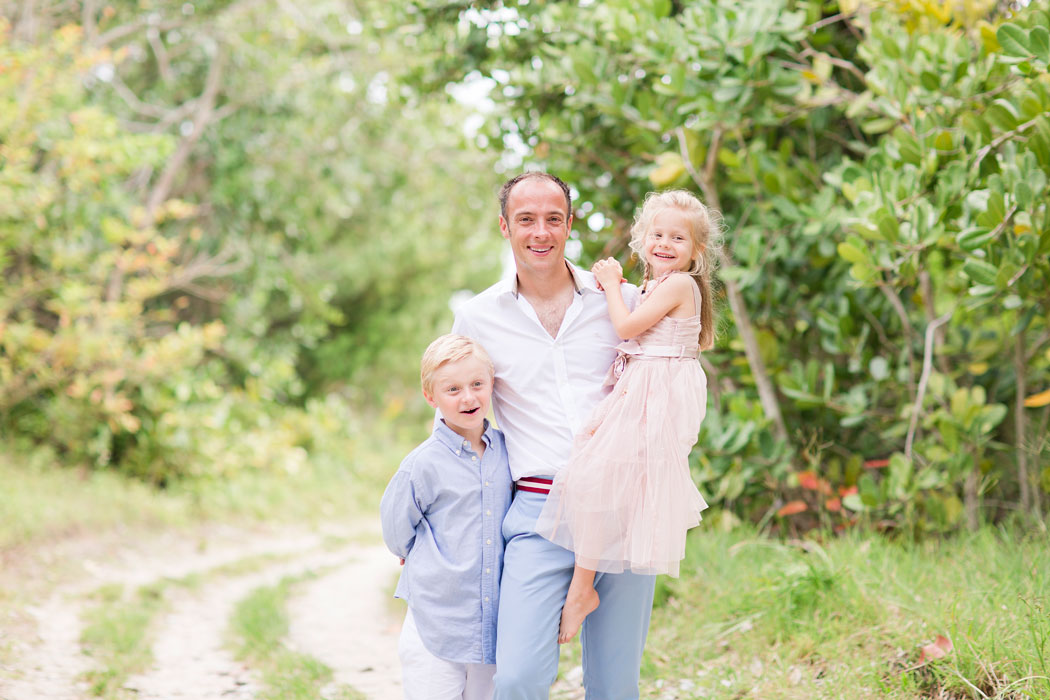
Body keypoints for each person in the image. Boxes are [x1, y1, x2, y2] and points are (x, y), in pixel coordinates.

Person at [451, 172, 652, 700]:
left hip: (622, 512)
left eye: (553, 219)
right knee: (517, 680)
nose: (540, 232)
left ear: (569, 224)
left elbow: (668, 379)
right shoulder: (476, 316)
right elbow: (456, 421)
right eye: (526, 220)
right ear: (504, 226)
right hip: (539, 515)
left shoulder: (623, 301)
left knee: (616, 688)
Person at [535, 189, 717, 644]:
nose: (665, 243)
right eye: (657, 234)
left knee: (598, 475)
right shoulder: (657, 285)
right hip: (645, 384)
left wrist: (613, 284)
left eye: (678, 238)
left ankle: (583, 591)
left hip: (657, 391)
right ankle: (587, 584)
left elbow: (627, 327)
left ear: (696, 251)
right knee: (601, 477)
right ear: (642, 239)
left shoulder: (679, 284)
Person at [380, 334, 512, 700]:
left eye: (477, 385)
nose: (468, 398)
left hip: (492, 622)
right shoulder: (422, 464)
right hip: (436, 621)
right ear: (431, 396)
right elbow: (396, 528)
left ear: (491, 385)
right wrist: (419, 553)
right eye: (452, 389)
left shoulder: (506, 450)